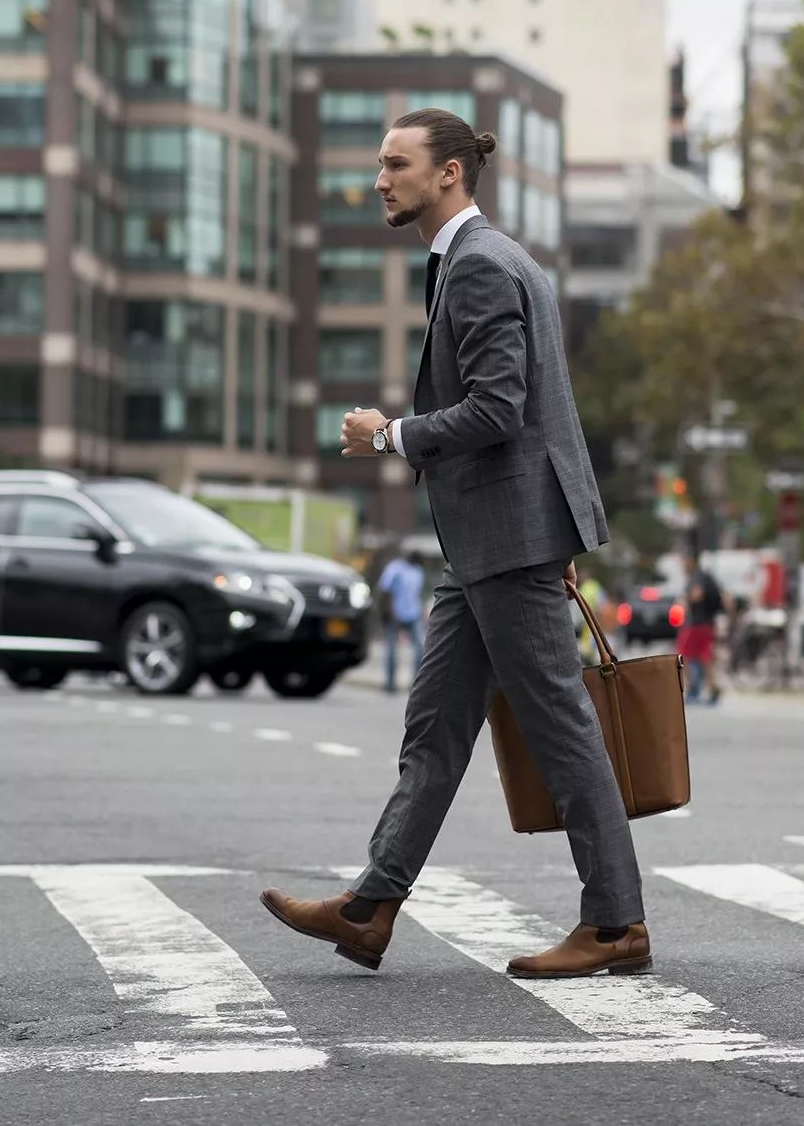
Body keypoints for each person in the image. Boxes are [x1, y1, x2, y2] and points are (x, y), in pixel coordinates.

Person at [261, 108, 648, 979]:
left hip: (506, 540)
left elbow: (502, 407)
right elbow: (542, 410)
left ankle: (617, 920)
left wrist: (391, 434)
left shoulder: (477, 265)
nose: (379, 179)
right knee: (435, 726)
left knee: (560, 725)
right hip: (492, 539)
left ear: (448, 175)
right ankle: (370, 906)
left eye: (395, 164)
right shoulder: (487, 260)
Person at [677, 550, 724, 705]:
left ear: (691, 561)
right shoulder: (706, 576)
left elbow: (697, 595)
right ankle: (715, 687)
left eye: (684, 561)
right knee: (705, 657)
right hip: (708, 624)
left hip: (696, 624)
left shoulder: (696, 577)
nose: (682, 565)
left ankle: (693, 689)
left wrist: (685, 599)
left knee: (683, 655)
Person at [377, 549, 425, 693]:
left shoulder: (418, 571)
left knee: (420, 649)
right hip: (395, 614)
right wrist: (390, 612)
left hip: (413, 614)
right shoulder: (394, 568)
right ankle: (389, 684)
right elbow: (385, 591)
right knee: (391, 650)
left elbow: (416, 593)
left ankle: (417, 684)